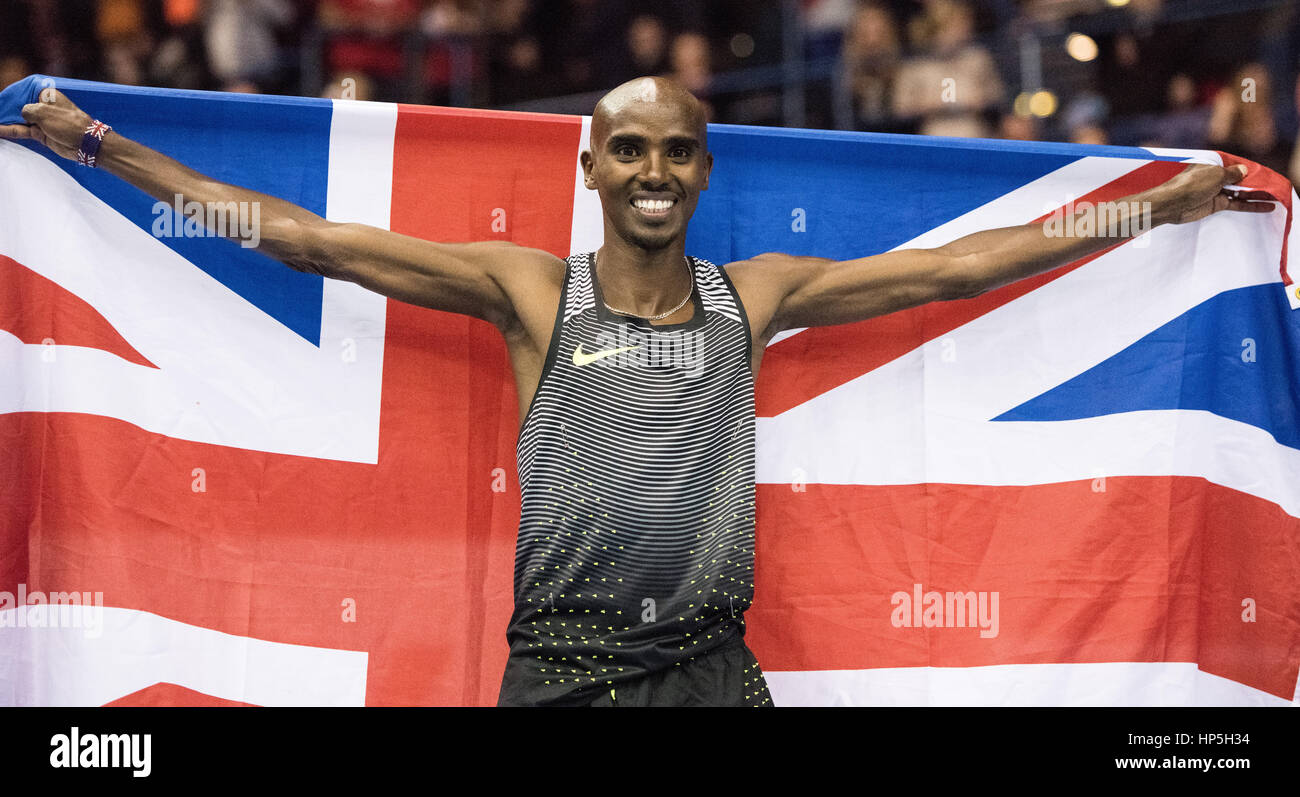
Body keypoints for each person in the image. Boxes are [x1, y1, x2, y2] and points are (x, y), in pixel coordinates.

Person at [0, 76, 1271, 706]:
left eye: (675, 149)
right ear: (595, 169)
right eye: (629, 149)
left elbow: (958, 265)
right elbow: (302, 239)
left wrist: (1152, 204)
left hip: (713, 673)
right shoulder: (529, 292)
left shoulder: (756, 296)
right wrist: (101, 147)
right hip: (559, 676)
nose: (652, 168)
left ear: (703, 170)